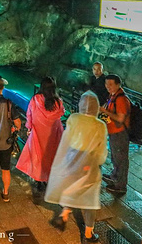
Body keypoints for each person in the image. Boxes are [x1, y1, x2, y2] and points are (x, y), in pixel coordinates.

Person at [45, 91, 107, 242]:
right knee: (89, 198)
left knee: (71, 186)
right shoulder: (100, 126)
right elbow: (101, 152)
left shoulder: (74, 119)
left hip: (72, 159)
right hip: (90, 162)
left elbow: (67, 139)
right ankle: (88, 234)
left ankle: (64, 214)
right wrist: (99, 161)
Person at [15, 76, 65, 193]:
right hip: (53, 133)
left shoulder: (35, 99)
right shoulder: (58, 101)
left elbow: (29, 114)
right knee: (51, 155)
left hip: (38, 131)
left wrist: (29, 127)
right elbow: (61, 113)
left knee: (38, 155)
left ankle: (39, 181)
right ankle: (50, 178)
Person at [99, 74, 130, 194]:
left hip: (120, 133)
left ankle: (121, 186)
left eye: (111, 84)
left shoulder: (121, 99)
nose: (108, 87)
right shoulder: (113, 95)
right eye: (106, 84)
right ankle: (115, 176)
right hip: (114, 132)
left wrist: (105, 111)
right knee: (116, 157)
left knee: (121, 159)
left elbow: (120, 118)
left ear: (118, 84)